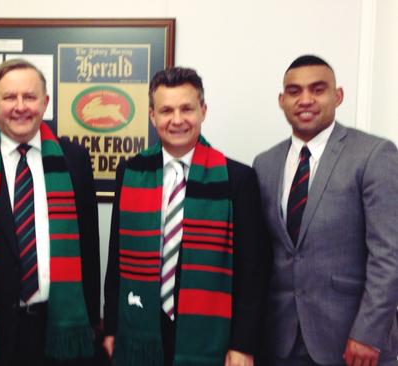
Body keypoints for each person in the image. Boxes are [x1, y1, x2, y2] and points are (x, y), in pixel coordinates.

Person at [0, 58, 100, 365]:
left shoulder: (74, 159)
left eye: (30, 96)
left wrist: (92, 320)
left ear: (46, 102)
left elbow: (89, 246)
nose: (20, 106)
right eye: (9, 97)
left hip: (59, 323)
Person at [103, 67, 268, 366]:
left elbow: (252, 271)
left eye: (186, 109)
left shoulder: (237, 179)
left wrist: (243, 344)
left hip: (210, 331)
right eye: (166, 110)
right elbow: (116, 258)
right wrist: (112, 327)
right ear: (152, 116)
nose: (177, 120)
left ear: (203, 111)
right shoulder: (129, 172)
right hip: (141, 325)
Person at [253, 54, 398, 365]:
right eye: (294, 91)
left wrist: (369, 332)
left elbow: (389, 254)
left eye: (318, 89)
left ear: (338, 95)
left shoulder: (373, 155)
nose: (305, 99)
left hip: (352, 342)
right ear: (281, 100)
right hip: (279, 343)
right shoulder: (265, 164)